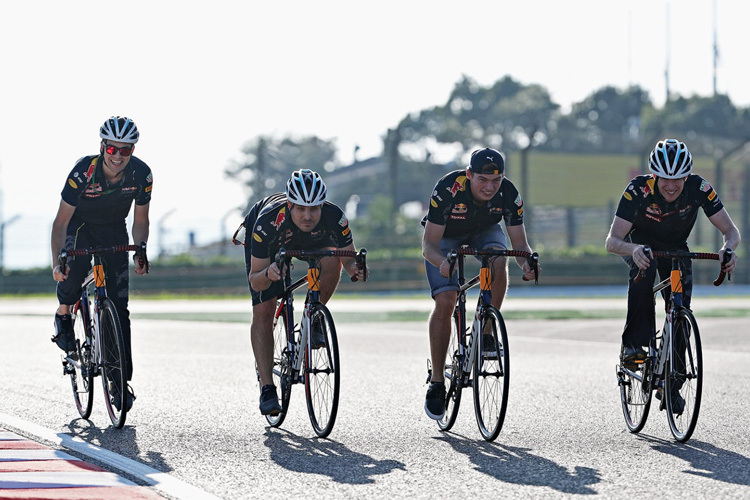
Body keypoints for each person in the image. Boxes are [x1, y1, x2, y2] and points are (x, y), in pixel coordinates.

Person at [605, 138, 740, 412]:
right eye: (664, 178)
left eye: (678, 179)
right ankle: (634, 346)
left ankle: (672, 383)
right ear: (654, 175)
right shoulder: (638, 190)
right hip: (639, 244)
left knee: (680, 309)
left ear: (687, 176)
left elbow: (731, 231)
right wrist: (632, 250)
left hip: (677, 248)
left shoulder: (699, 188)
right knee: (644, 269)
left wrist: (728, 249)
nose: (671, 185)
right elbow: (612, 241)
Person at [421, 147, 540, 420]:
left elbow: (520, 246)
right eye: (483, 180)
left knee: (499, 259)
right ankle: (437, 381)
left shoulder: (509, 194)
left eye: (496, 181)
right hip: (446, 237)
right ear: (469, 175)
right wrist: (442, 261)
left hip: (485, 230)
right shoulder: (448, 189)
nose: (490, 187)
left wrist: (527, 264)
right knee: (447, 299)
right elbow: (428, 245)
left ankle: (486, 330)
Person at [243, 169, 368, 416]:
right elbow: (256, 281)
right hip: (274, 242)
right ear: (289, 204)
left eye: (314, 209)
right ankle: (268, 388)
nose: (308, 216)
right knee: (264, 308)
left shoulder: (335, 218)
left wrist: (357, 269)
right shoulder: (268, 221)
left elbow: (349, 259)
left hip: (313, 243)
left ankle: (315, 316)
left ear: (323, 205)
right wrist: (268, 273)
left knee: (332, 259)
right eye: (300, 209)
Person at [51, 116, 152, 412]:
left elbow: (141, 220)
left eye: (126, 150)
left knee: (119, 306)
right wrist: (57, 261)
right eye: (113, 149)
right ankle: (64, 313)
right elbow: (60, 223)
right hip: (79, 226)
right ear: (102, 147)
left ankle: (119, 381)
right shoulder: (84, 171)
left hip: (113, 229)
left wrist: (141, 250)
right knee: (73, 273)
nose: (119, 156)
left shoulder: (142, 175)